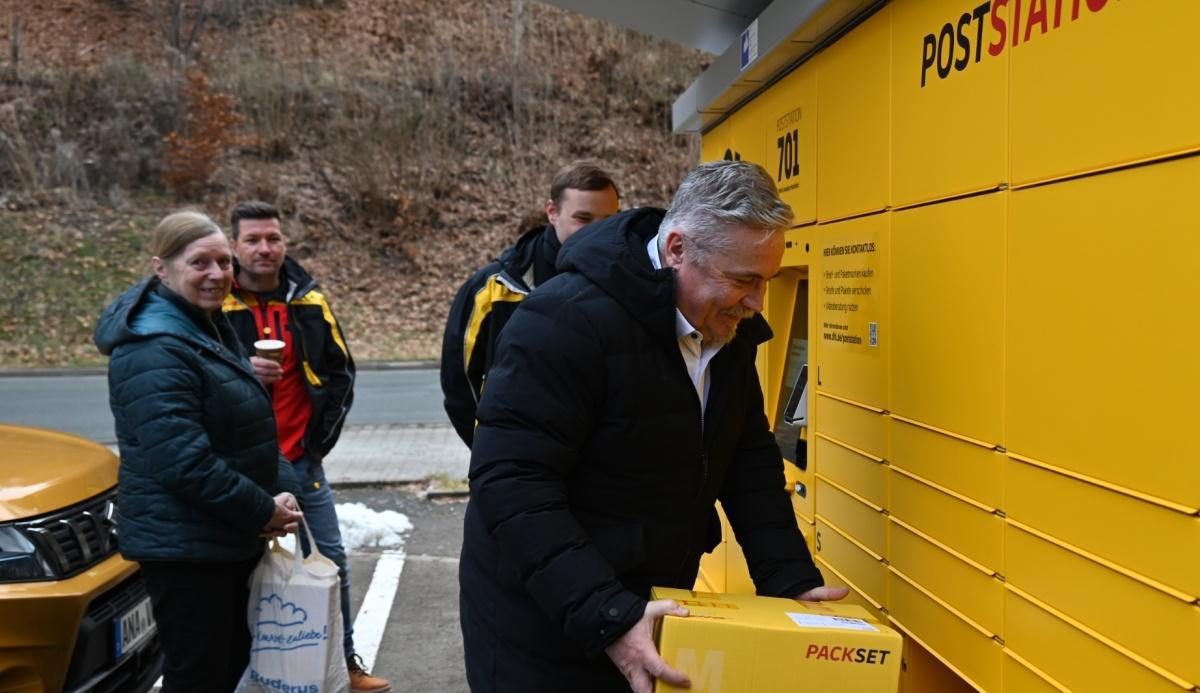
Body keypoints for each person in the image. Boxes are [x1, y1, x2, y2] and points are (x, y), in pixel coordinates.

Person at [459, 161, 848, 693]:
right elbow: (512, 483)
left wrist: (790, 581)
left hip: (646, 604)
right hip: (539, 623)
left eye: (767, 282)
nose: (758, 304)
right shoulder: (562, 320)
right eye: (743, 281)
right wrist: (608, 613)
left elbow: (747, 458)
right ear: (676, 250)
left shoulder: (725, 326)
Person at [94, 211, 304, 692]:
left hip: (220, 534)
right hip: (186, 547)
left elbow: (243, 433)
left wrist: (285, 493)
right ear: (161, 268)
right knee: (199, 677)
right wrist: (260, 511)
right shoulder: (153, 347)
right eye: (199, 263)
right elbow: (181, 461)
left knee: (227, 668)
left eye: (223, 263)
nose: (216, 275)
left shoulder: (204, 325)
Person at [221, 201, 389, 693]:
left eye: (272, 238)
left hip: (300, 462)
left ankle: (344, 666)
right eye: (252, 239)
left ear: (284, 243)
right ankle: (249, 674)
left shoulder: (308, 300)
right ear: (235, 246)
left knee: (329, 563)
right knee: (244, 572)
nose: (264, 248)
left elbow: (342, 372)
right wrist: (243, 374)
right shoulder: (218, 303)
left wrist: (316, 443)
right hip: (241, 469)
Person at [441, 160, 620, 447]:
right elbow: (460, 385)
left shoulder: (631, 285)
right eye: (583, 219)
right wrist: (494, 453)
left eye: (608, 220)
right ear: (552, 212)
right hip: (515, 463)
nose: (596, 232)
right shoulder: (494, 289)